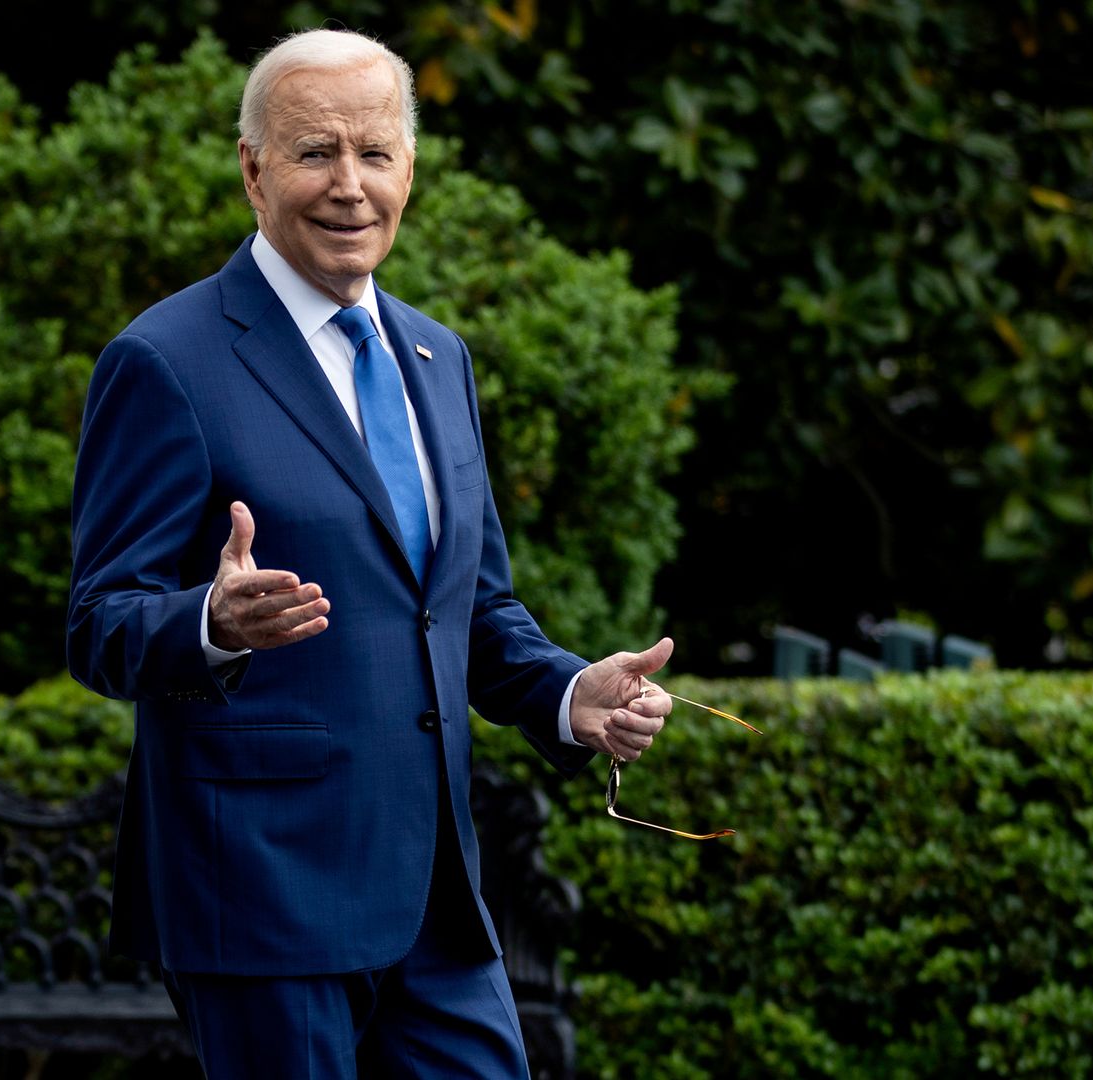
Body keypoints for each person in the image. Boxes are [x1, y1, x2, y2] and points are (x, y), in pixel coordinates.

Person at [65, 28, 673, 1078]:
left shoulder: (439, 358)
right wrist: (210, 624)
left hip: (439, 898)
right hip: (264, 896)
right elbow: (98, 623)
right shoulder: (165, 361)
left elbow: (469, 611)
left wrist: (568, 692)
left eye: (376, 154)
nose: (350, 185)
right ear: (254, 172)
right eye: (315, 154)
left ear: (410, 171)